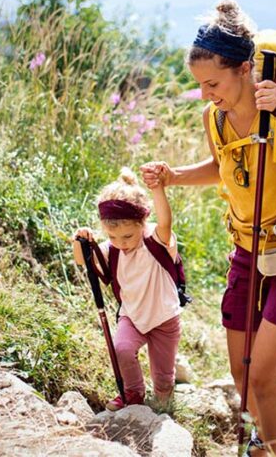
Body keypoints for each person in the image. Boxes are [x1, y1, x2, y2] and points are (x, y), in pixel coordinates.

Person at [140, 0, 276, 455]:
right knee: (242, 374)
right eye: (199, 85)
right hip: (249, 253)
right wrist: (174, 176)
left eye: (213, 83)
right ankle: (267, 440)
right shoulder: (215, 116)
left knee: (264, 377)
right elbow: (222, 166)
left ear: (246, 69)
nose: (205, 94)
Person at [72, 168, 182, 411]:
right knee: (121, 349)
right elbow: (82, 260)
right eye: (112, 237)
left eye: (128, 236)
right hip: (132, 315)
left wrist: (158, 189)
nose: (121, 243)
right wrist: (79, 241)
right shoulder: (113, 250)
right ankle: (133, 393)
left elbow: (165, 222)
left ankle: (164, 402)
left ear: (143, 223)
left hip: (164, 318)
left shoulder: (156, 240)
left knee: (163, 376)